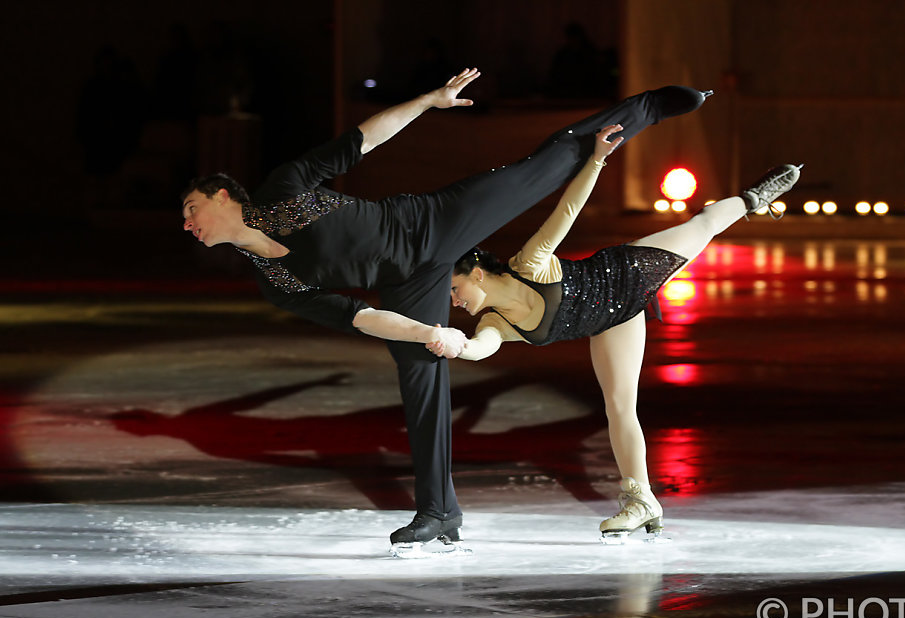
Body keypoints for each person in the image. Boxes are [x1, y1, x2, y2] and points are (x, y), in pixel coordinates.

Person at [181, 68, 712, 554]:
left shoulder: (281, 190)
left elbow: (364, 139)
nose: (188, 223)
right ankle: (439, 512)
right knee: (418, 374)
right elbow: (358, 317)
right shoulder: (276, 281)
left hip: (433, 222)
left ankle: (649, 108)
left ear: (223, 195)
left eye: (191, 208)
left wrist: (430, 101)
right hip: (407, 284)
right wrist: (425, 332)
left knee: (544, 166)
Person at [432, 124, 800, 542]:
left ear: (477, 273)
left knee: (702, 226)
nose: (454, 301)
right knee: (620, 407)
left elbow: (567, 210)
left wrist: (596, 159)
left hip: (626, 273)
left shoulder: (529, 264)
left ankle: (753, 198)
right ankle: (641, 500)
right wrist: (454, 344)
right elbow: (481, 349)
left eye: (455, 290)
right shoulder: (495, 322)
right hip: (613, 321)